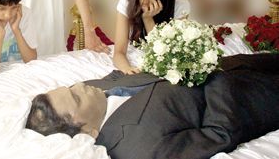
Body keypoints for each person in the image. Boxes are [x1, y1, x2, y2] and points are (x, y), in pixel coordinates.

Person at [26, 53, 279, 159]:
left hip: (230, 62)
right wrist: (211, 74)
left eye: (71, 87)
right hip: (249, 97)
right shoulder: (139, 148)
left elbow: (116, 76)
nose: (80, 86)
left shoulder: (92, 88)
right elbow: (219, 134)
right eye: (76, 98)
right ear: (88, 132)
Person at [113, 0, 190, 74]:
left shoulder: (180, 5)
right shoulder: (127, 2)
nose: (144, 0)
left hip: (163, 59)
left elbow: (167, 56)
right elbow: (119, 52)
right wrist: (127, 69)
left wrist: (148, 19)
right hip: (137, 58)